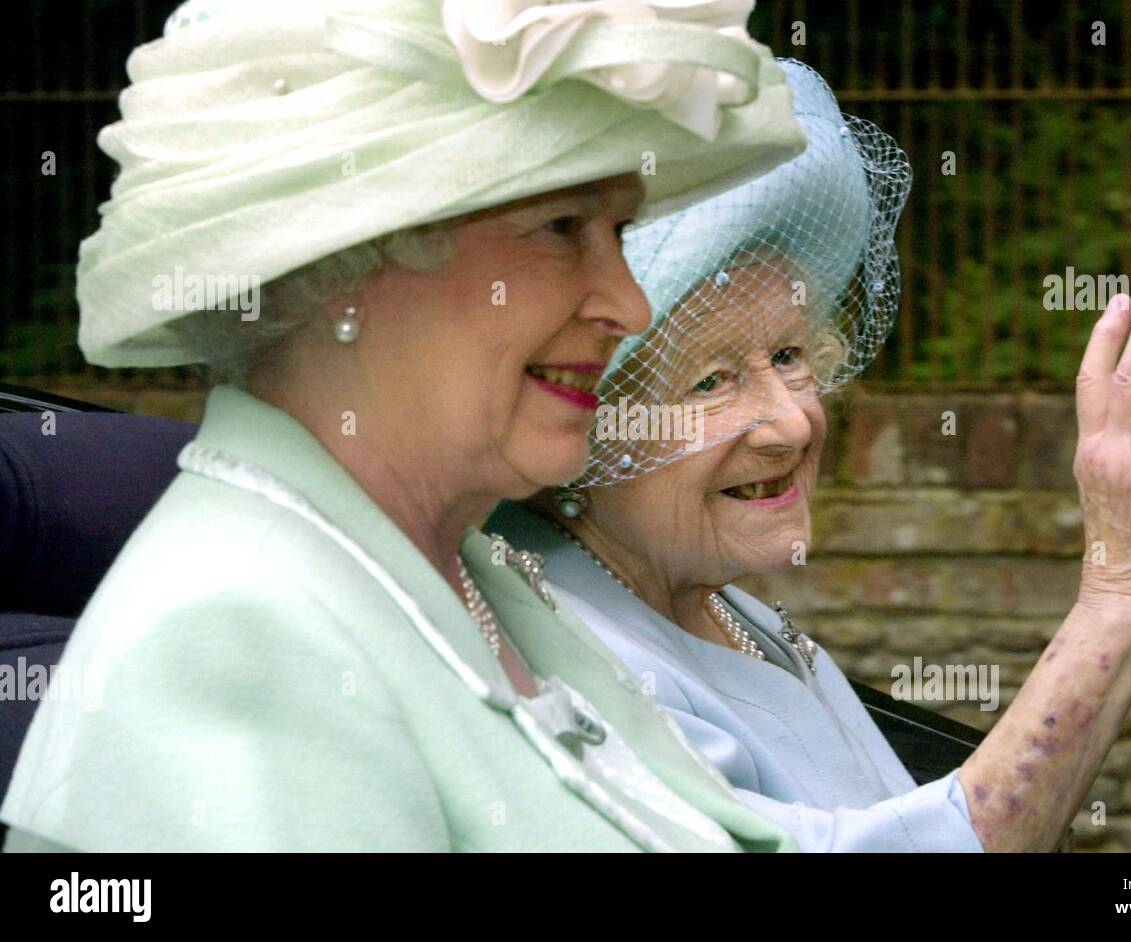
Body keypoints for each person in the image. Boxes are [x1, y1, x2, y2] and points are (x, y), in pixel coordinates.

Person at [0, 0, 812, 852]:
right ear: (345, 262)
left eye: (619, 230)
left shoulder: (461, 573)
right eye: (563, 228)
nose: (628, 303)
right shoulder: (243, 636)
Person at [486, 59, 1131, 852]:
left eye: (787, 357)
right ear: (585, 420)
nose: (792, 425)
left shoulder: (718, 607)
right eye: (711, 381)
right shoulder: (562, 650)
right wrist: (1123, 594)